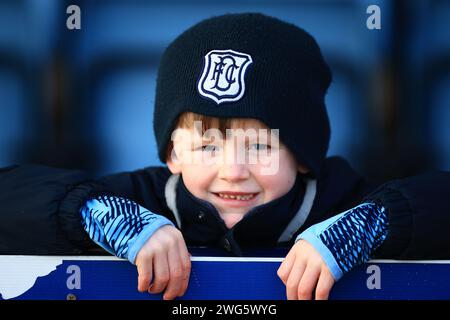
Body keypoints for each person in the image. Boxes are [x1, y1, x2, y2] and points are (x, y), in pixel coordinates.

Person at [1, 13, 450, 300]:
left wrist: (376, 222)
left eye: (260, 145)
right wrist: (89, 213)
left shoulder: (343, 204)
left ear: (305, 156)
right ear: (173, 153)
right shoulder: (137, 203)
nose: (233, 171)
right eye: (206, 145)